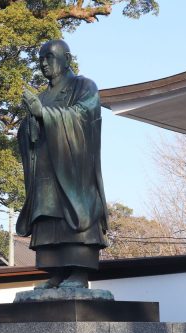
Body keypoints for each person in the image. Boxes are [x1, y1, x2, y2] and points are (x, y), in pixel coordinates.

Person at [16, 39, 108, 288]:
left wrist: (44, 114)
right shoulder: (43, 96)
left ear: (67, 58)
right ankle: (55, 272)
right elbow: (28, 133)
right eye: (41, 59)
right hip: (45, 173)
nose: (44, 63)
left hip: (73, 172)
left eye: (50, 57)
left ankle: (78, 272)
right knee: (48, 218)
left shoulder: (83, 86)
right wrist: (30, 123)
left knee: (73, 217)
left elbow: (84, 115)